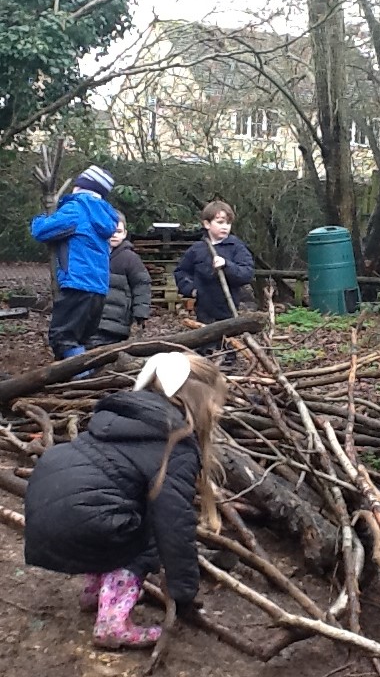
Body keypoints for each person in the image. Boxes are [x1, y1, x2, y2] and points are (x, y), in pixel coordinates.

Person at [24, 351, 226, 649]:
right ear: (199, 401)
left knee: (112, 510)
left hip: (43, 510)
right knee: (147, 535)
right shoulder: (175, 445)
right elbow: (174, 524)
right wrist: (183, 591)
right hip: (80, 521)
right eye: (217, 403)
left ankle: (97, 592)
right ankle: (112, 623)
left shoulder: (120, 417)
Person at [30, 165, 119, 362]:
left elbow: (41, 231)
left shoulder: (77, 209)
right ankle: (87, 371)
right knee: (83, 338)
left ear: (79, 187)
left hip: (77, 284)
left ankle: (82, 374)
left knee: (62, 337)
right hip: (98, 289)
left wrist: (42, 217)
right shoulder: (104, 215)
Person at [174, 200, 254, 365]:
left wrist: (227, 265)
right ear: (207, 224)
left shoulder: (236, 247)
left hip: (228, 308)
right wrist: (192, 290)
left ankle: (228, 366)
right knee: (205, 345)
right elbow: (181, 272)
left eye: (228, 223)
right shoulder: (197, 249)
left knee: (227, 345)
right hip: (204, 308)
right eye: (220, 222)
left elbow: (246, 273)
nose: (225, 227)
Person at [87, 211, 152, 348]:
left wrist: (141, 313)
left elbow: (142, 285)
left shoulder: (130, 258)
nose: (114, 234)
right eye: (110, 230)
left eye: (118, 231)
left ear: (124, 233)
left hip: (118, 320)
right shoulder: (92, 255)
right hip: (92, 319)